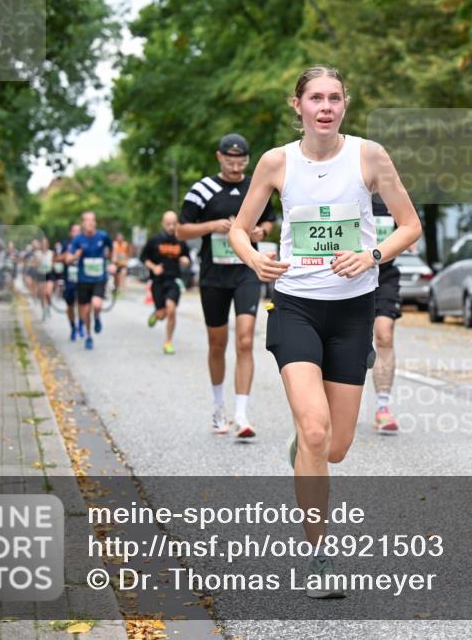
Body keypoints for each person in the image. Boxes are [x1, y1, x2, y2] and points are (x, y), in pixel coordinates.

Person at [229, 65, 422, 597]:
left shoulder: (369, 156)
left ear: (345, 104)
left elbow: (410, 225)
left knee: (334, 447)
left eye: (334, 98)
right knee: (316, 430)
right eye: (315, 97)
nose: (325, 107)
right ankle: (319, 557)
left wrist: (372, 255)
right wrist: (255, 261)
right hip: (295, 307)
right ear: (297, 105)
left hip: (352, 312)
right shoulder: (275, 162)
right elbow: (239, 231)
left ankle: (307, 447)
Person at [176, 132, 277, 438]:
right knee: (217, 343)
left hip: (246, 269)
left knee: (245, 340)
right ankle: (219, 407)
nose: (236, 168)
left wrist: (259, 231)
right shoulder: (202, 189)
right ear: (220, 157)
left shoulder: (255, 186)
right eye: (231, 161)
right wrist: (212, 226)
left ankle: (242, 415)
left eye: (242, 161)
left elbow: (270, 219)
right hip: (214, 275)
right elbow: (181, 230)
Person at [371, 195, 401, 432]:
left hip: (385, 276)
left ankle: (383, 408)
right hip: (348, 273)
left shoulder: (394, 199)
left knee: (384, 335)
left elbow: (410, 228)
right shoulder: (345, 188)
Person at [141, 211, 191, 354]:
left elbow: (187, 257)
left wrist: (185, 260)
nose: (171, 226)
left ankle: (168, 341)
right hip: (158, 281)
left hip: (174, 280)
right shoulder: (155, 240)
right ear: (163, 223)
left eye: (173, 223)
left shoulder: (180, 240)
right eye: (168, 223)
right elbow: (143, 258)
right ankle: (156, 315)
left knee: (171, 309)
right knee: (162, 313)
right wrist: (154, 267)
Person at [69, 212, 112, 350]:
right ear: (83, 223)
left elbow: (112, 248)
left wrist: (112, 262)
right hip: (83, 279)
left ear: (95, 222)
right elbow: (68, 259)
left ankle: (97, 317)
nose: (90, 223)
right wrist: (76, 255)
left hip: (99, 277)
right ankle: (88, 336)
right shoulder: (78, 239)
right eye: (87, 220)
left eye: (92, 220)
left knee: (97, 304)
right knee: (85, 311)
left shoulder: (102, 236)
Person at [61, 224, 84, 340]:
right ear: (71, 233)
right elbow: (58, 258)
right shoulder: (66, 244)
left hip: (82, 279)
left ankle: (81, 324)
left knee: (81, 303)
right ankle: (73, 327)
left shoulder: (85, 243)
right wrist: (68, 256)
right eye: (74, 231)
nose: (76, 233)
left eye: (78, 231)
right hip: (69, 279)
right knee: (70, 305)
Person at [112, 232, 131, 297]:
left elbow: (129, 252)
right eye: (118, 238)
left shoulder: (125, 244)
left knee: (123, 275)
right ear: (116, 238)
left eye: (121, 238)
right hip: (116, 263)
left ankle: (121, 290)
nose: (120, 239)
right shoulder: (114, 244)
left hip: (123, 263)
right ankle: (115, 288)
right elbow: (112, 252)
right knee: (116, 277)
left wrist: (127, 259)